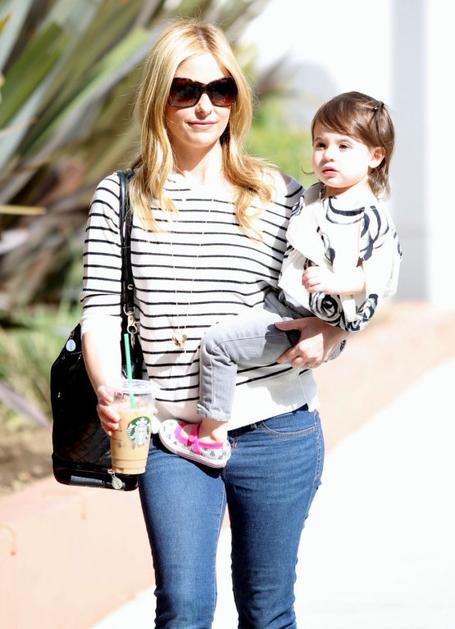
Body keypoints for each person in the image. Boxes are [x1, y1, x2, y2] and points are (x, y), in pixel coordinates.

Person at [81, 18, 348, 628]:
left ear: (236, 97)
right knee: (184, 607)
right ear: (160, 97)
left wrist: (330, 335)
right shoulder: (120, 196)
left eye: (220, 89)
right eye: (186, 90)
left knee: (267, 610)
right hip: (173, 433)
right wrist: (109, 390)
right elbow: (99, 312)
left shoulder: (281, 194)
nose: (205, 106)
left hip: (276, 429)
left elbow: (340, 290)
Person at [159, 90, 402, 469]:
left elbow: (380, 272)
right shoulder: (317, 197)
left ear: (375, 156)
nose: (328, 155)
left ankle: (210, 435)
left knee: (219, 345)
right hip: (284, 303)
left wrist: (336, 284)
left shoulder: (368, 214)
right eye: (320, 144)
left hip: (298, 319)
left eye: (343, 146)